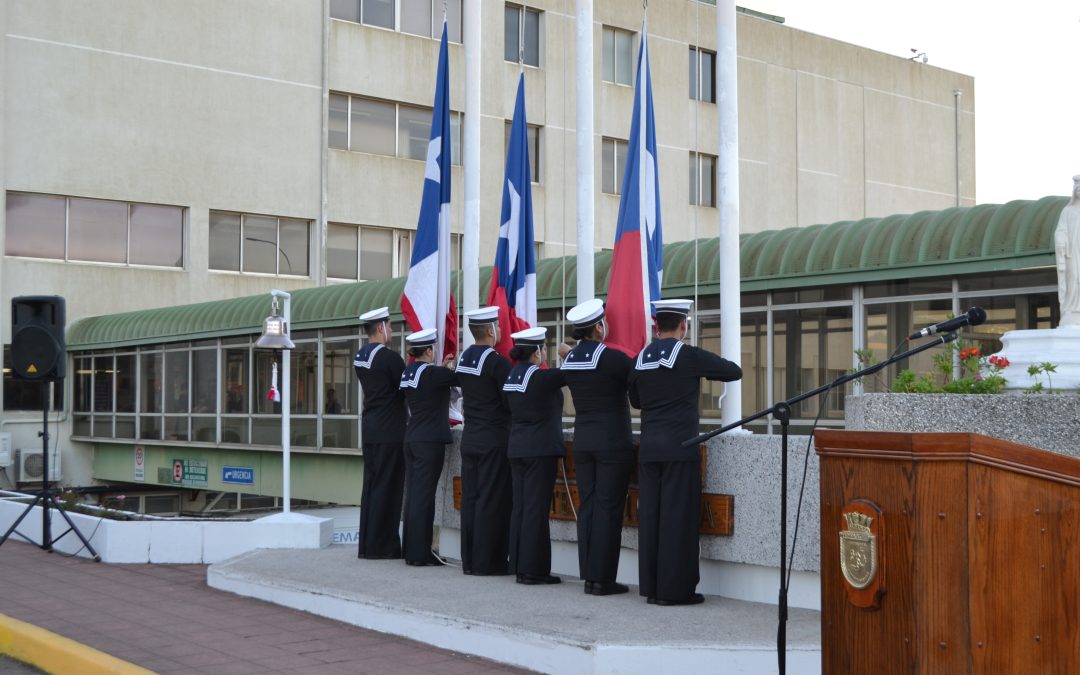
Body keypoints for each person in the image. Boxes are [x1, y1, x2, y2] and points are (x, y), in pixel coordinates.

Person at [628, 299, 742, 606]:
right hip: (681, 448)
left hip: (649, 450)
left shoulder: (641, 358)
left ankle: (652, 588)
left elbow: (635, 400)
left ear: (656, 327)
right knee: (677, 520)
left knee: (651, 518)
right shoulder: (688, 355)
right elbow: (733, 372)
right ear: (683, 326)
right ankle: (675, 591)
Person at [560, 299, 634, 596]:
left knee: (588, 506)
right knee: (608, 508)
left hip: (583, 441)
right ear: (599, 326)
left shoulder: (572, 360)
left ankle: (589, 575)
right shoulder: (613, 359)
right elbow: (638, 377)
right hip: (612, 442)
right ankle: (603, 579)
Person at [503, 327, 566, 585]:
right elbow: (573, 372)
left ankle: (518, 564)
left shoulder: (511, 377)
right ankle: (533, 570)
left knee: (520, 507)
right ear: (537, 351)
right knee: (535, 510)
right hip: (539, 450)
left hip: (517, 448)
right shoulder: (540, 378)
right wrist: (568, 353)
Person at [455, 306, 514, 576]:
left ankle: (469, 560)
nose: (501, 330)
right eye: (498, 326)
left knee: (471, 499)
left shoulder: (464, 358)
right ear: (490, 330)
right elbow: (509, 401)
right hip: (493, 439)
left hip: (470, 438)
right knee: (491, 500)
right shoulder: (498, 362)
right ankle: (488, 562)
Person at [399, 328, 457, 566]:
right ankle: (420, 553)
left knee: (413, 496)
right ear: (430, 350)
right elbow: (461, 379)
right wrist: (449, 369)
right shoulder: (433, 373)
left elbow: (429, 384)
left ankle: (410, 549)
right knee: (424, 498)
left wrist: (442, 370)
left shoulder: (408, 372)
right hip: (429, 441)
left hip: (411, 437)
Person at [353, 306, 406, 560]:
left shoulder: (360, 357)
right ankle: (384, 545)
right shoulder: (390, 358)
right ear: (381, 328)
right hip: (390, 431)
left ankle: (367, 544)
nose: (392, 330)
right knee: (389, 489)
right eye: (390, 326)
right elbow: (405, 389)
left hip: (371, 428)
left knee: (372, 487)